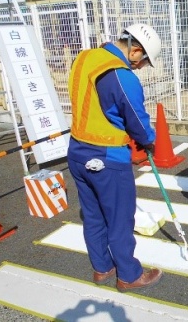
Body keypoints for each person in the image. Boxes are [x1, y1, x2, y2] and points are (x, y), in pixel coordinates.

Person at [67, 23, 163, 291]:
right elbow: (137, 120)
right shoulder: (122, 76)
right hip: (108, 157)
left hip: (77, 150)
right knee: (120, 219)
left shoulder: (85, 57)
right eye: (144, 62)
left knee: (93, 215)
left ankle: (102, 268)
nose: (141, 68)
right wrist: (149, 142)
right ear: (135, 51)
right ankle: (129, 275)